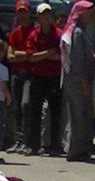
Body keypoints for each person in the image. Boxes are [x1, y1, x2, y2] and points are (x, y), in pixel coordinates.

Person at [61, 0, 95, 161]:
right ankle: (75, 149)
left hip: (78, 79)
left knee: (82, 113)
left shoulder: (81, 30)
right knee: (78, 114)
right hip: (78, 80)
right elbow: (78, 60)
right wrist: (84, 82)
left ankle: (80, 147)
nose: (91, 14)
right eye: (88, 11)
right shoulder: (77, 33)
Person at [27, 2, 63, 156]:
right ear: (38, 17)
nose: (46, 17)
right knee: (34, 112)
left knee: (55, 113)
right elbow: (31, 58)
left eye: (48, 14)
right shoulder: (34, 35)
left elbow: (61, 57)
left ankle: (54, 145)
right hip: (38, 77)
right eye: (43, 14)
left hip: (54, 77)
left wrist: (43, 55)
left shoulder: (59, 34)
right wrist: (49, 53)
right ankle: (33, 146)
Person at [7, 0, 37, 154]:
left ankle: (27, 141)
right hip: (16, 74)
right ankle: (18, 140)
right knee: (16, 107)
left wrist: (23, 55)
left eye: (24, 11)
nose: (22, 15)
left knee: (26, 105)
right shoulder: (15, 33)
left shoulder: (34, 31)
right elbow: (10, 56)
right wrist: (24, 55)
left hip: (29, 74)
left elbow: (32, 57)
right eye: (20, 12)